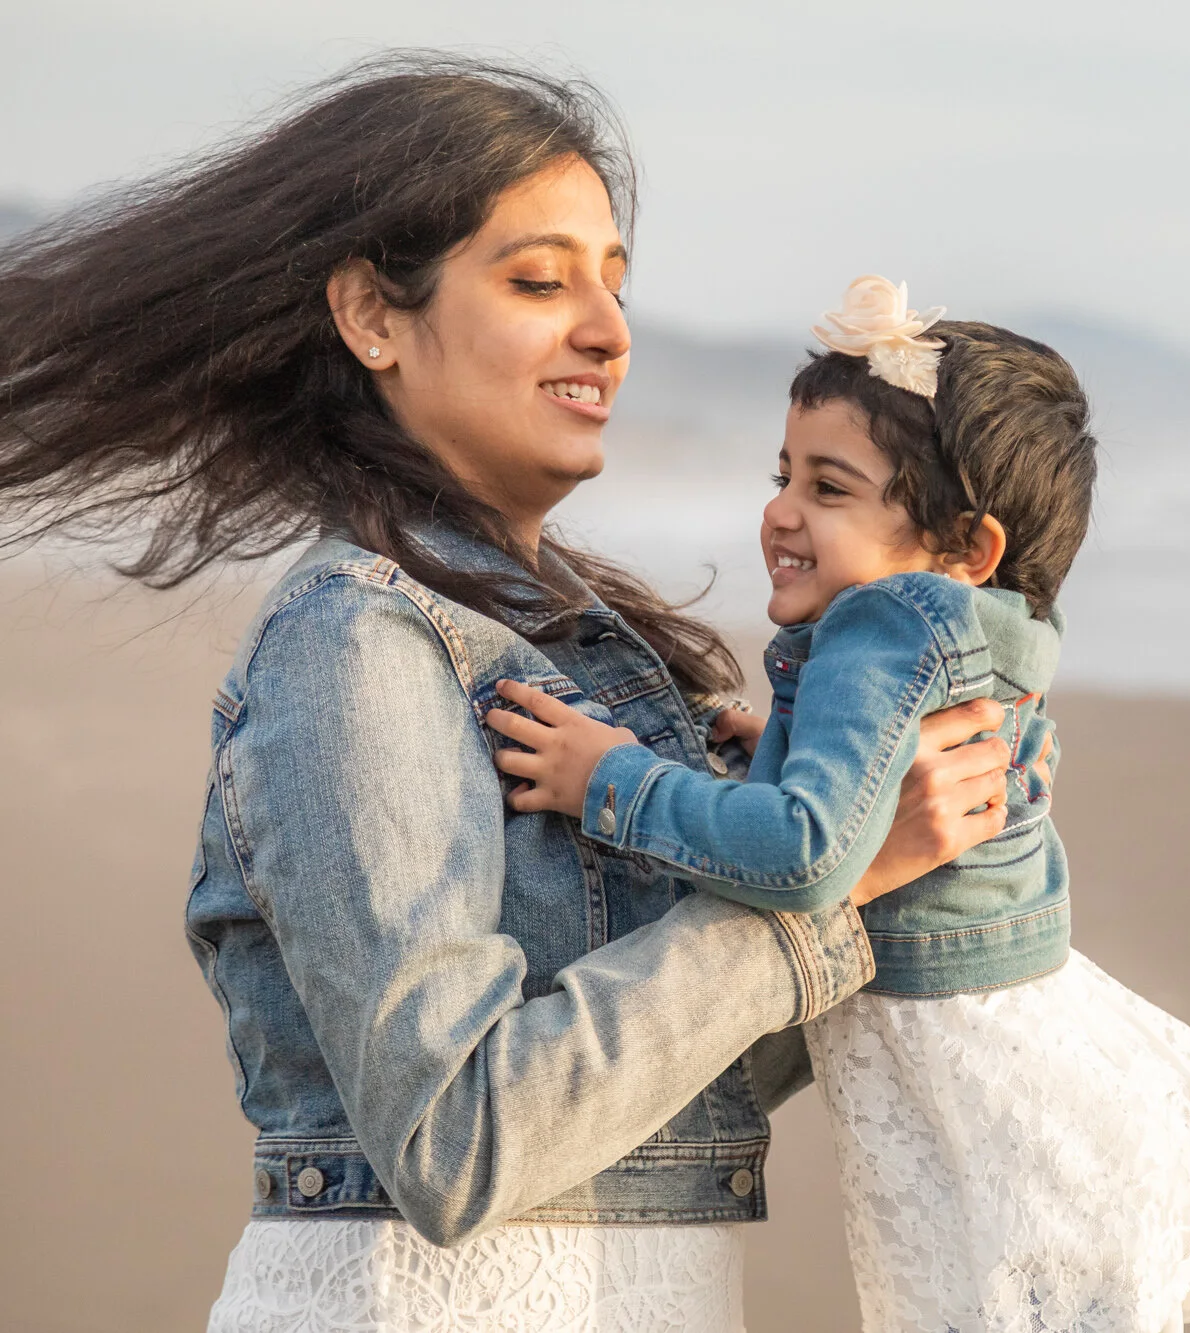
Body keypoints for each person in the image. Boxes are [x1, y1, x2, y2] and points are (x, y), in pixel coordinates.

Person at [0, 62, 1018, 1332]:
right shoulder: (359, 642)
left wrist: (902, 840)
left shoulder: (584, 658)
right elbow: (455, 1138)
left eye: (614, 284)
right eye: (541, 281)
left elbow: (703, 1074)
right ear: (374, 315)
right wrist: (826, 892)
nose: (607, 329)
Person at [487, 276, 1190, 1332]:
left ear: (965, 549)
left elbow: (808, 855)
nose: (780, 513)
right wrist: (787, 742)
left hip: (953, 1054)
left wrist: (610, 780)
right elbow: (885, 772)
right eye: (783, 475)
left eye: (829, 488)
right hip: (1007, 1019)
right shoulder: (983, 624)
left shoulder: (884, 621)